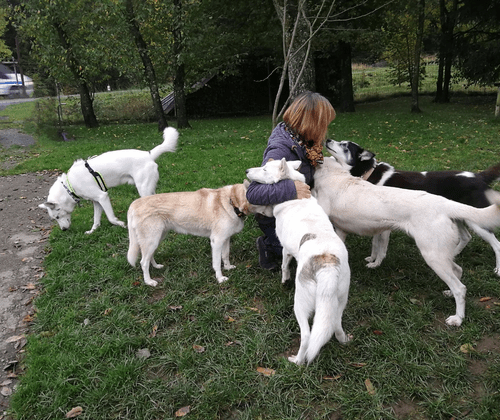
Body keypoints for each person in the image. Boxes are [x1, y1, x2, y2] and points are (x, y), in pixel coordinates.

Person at [246, 91, 337, 270]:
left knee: (327, 238)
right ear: (312, 123)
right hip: (276, 216)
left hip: (297, 209)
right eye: (324, 123)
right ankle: (268, 244)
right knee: (301, 253)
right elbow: (253, 193)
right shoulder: (280, 150)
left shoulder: (306, 142)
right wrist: (292, 189)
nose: (326, 128)